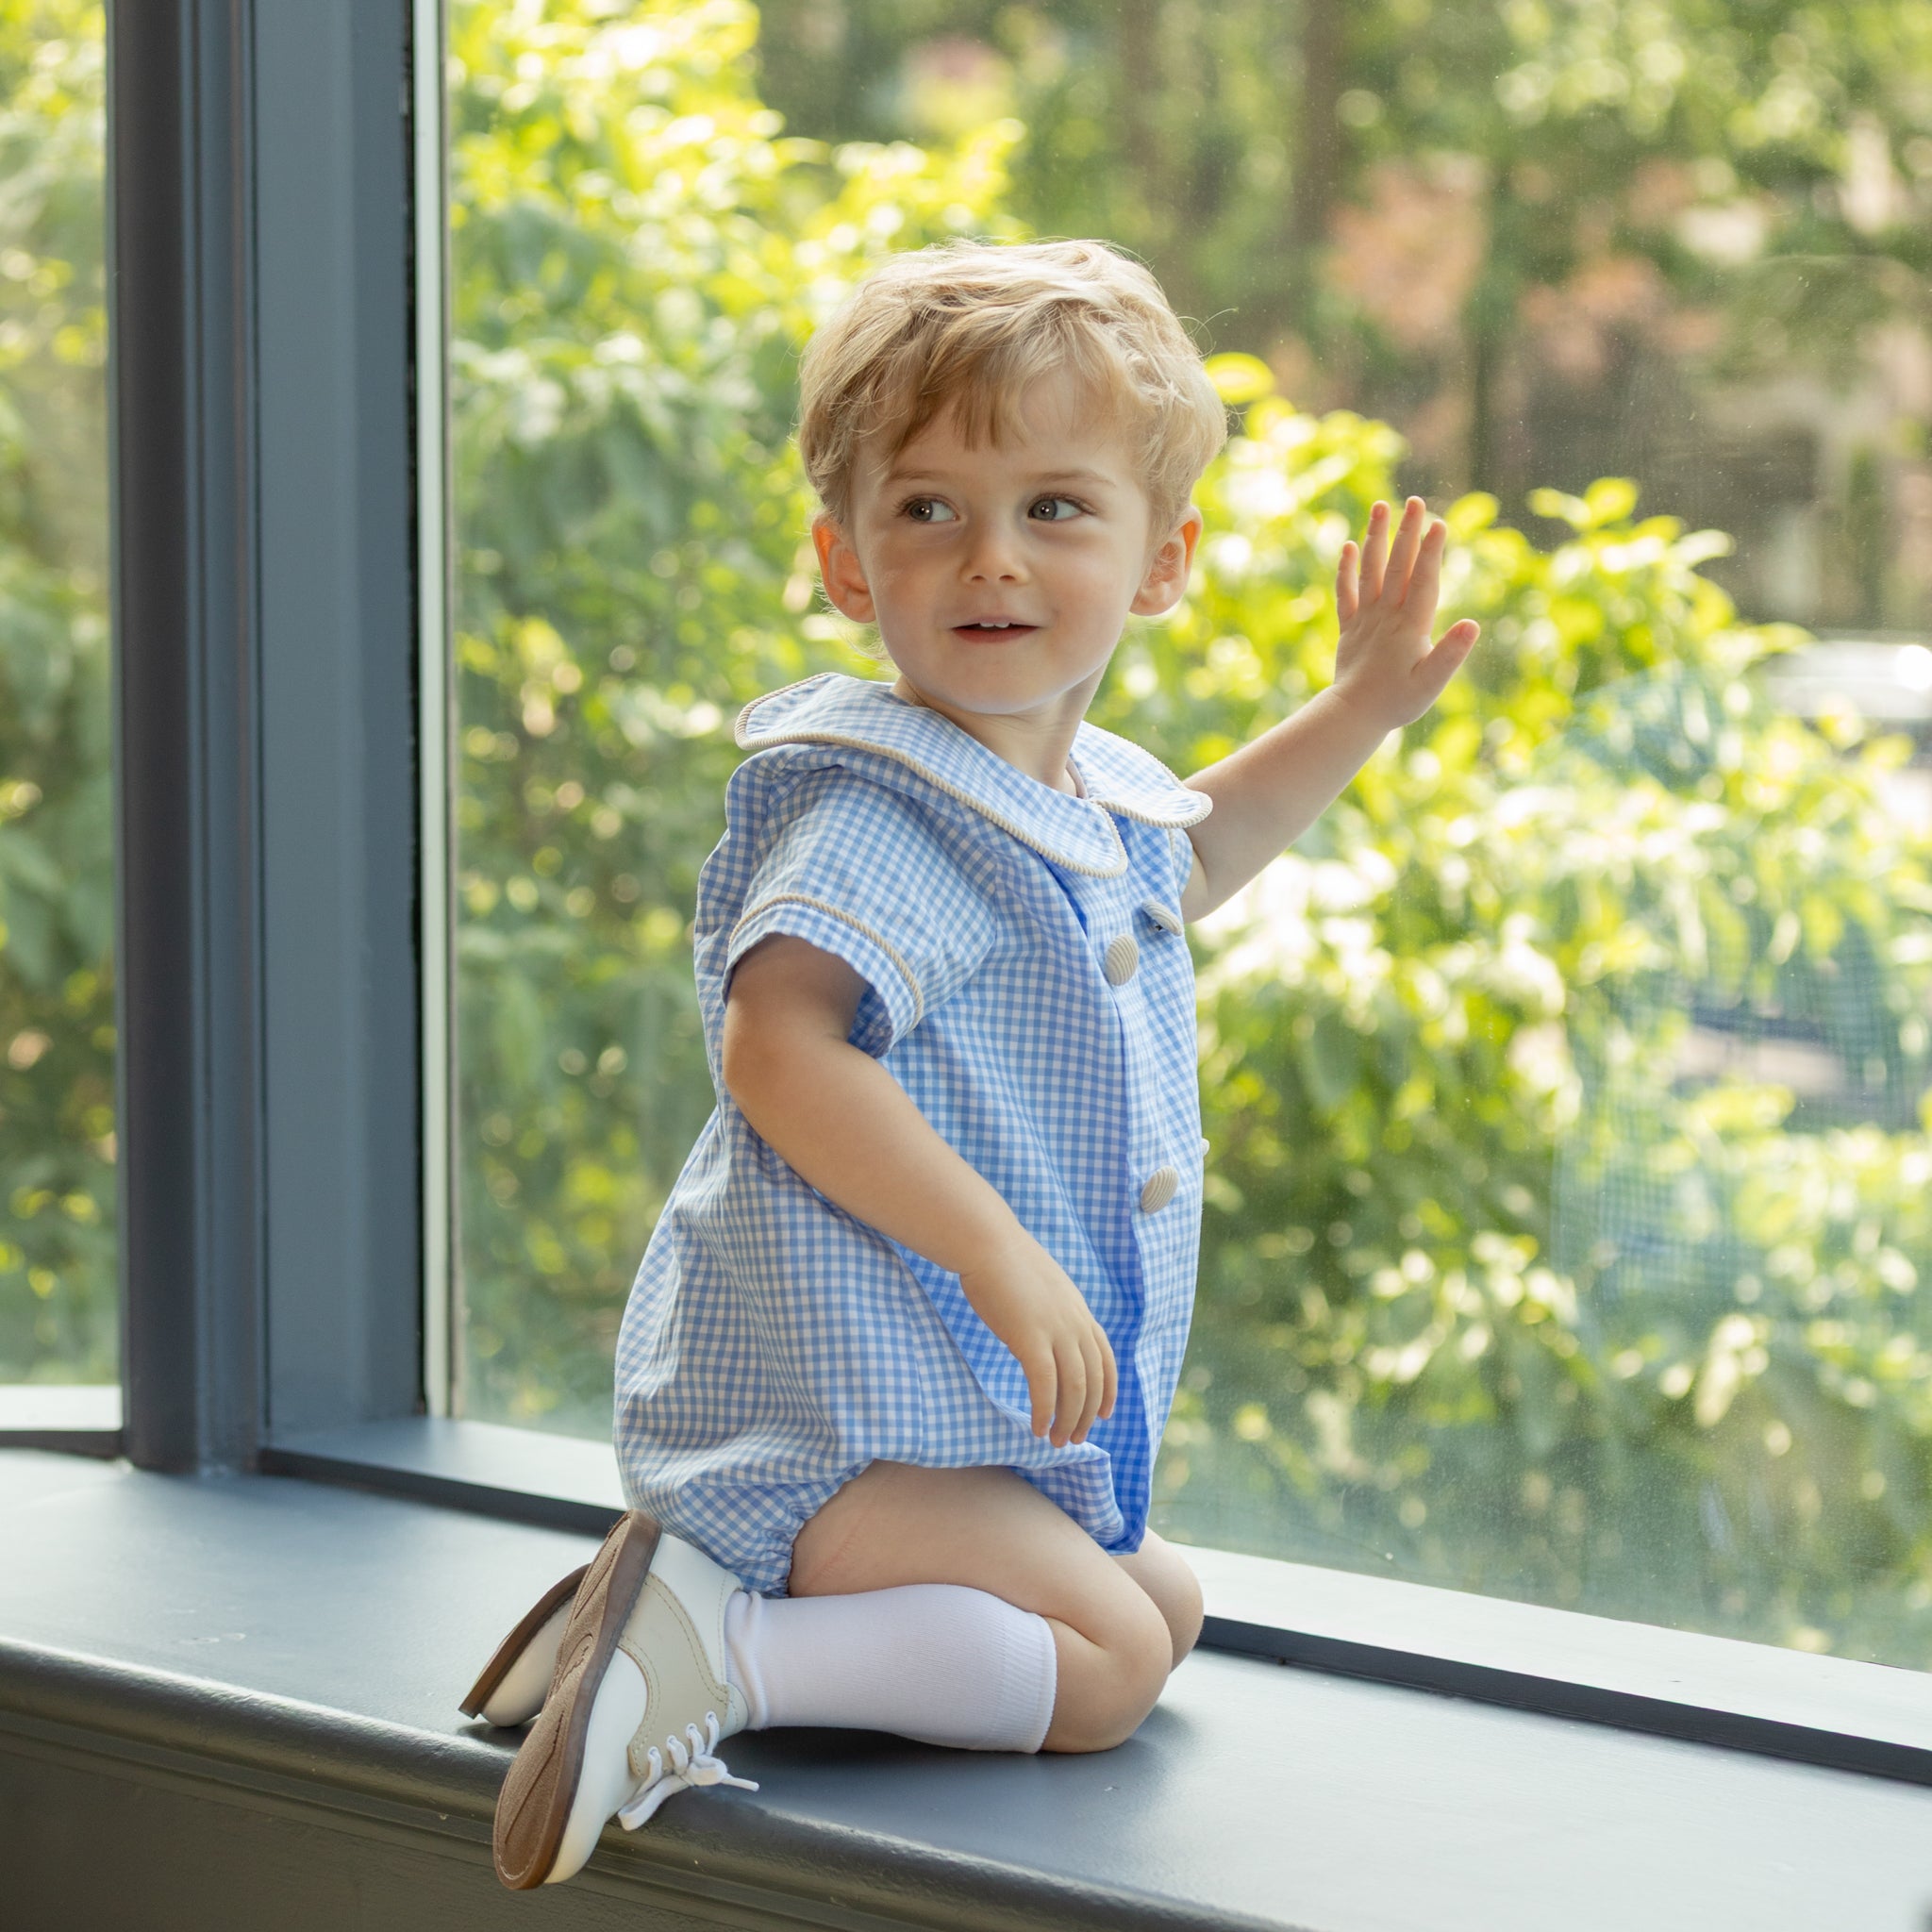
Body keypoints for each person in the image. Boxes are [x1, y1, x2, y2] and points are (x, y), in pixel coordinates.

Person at [461, 238, 1481, 1890]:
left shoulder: (1070, 796)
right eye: (929, 509)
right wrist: (994, 1249)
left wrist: (1360, 704)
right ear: (848, 563)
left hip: (933, 1418)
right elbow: (777, 1044)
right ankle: (714, 1658)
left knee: (1166, 1602)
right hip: (829, 1425)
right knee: (1108, 1673)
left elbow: (1196, 857)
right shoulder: (883, 804)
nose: (990, 559)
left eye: (1056, 509)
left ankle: (649, 1620)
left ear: (1163, 562)